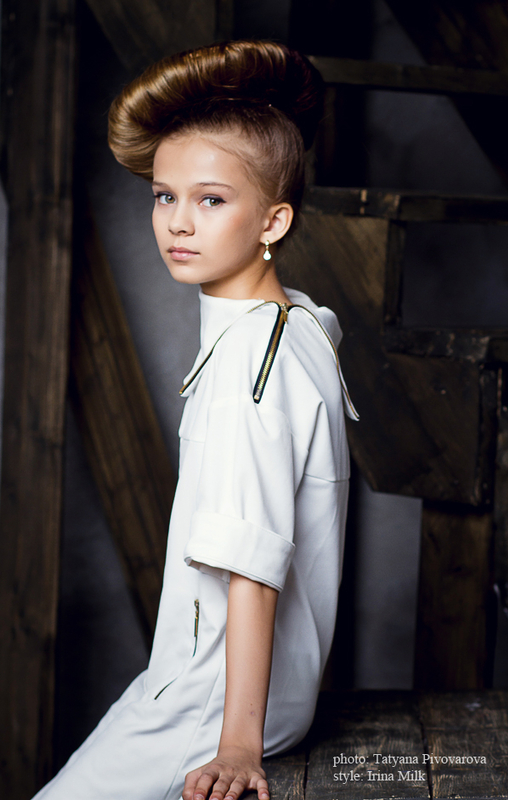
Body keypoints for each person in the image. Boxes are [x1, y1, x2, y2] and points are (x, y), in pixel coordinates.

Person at [32, 40, 357, 800]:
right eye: (163, 196)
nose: (178, 223)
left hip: (211, 707)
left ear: (273, 220)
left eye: (210, 200)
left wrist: (237, 744)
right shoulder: (302, 322)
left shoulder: (250, 365)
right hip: (256, 693)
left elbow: (253, 562)